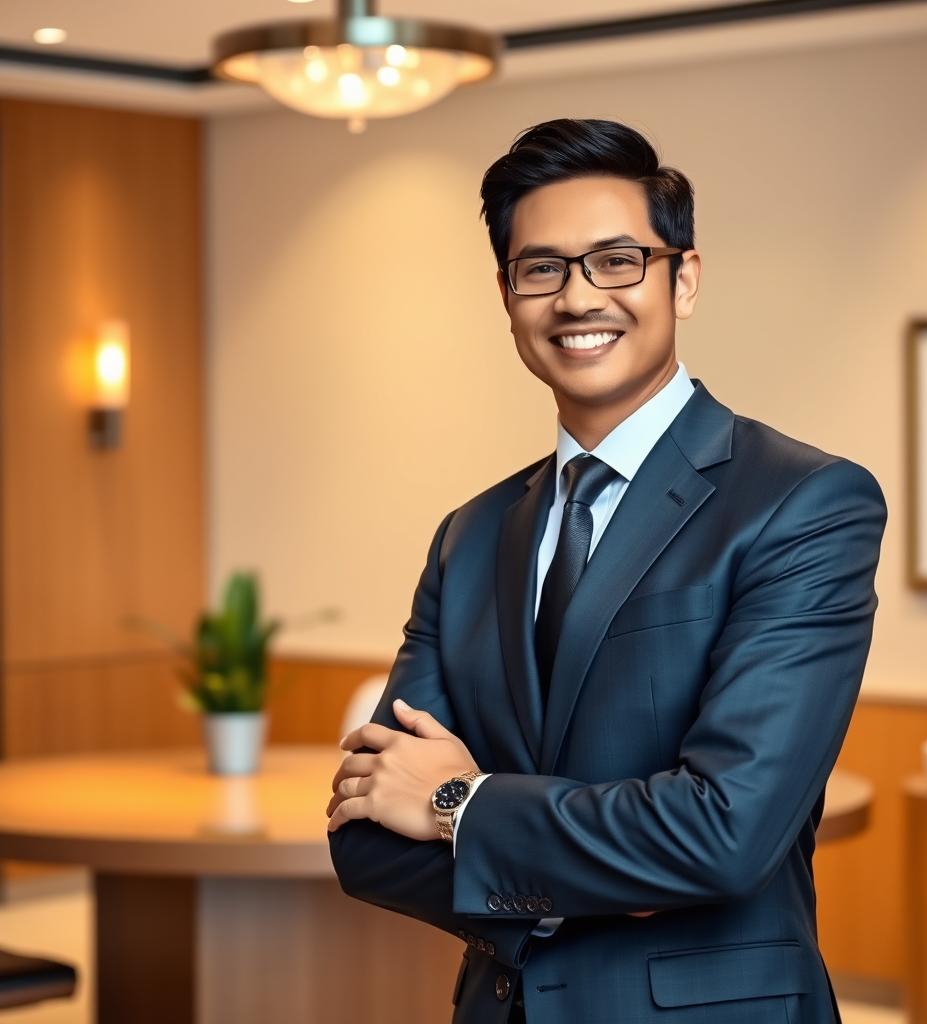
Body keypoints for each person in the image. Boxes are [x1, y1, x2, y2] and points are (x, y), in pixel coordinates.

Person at [326, 117, 887, 1024]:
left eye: (617, 260)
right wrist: (607, 879)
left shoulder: (804, 503)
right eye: (541, 268)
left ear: (685, 278)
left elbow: (722, 834)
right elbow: (367, 839)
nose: (578, 297)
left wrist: (457, 805)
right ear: (506, 295)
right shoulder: (468, 537)